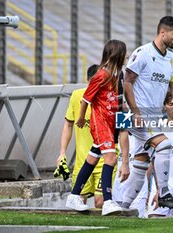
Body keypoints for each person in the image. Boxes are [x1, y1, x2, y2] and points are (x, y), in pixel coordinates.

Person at [121, 16, 173, 210]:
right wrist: (135, 112)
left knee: (141, 163)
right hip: (135, 115)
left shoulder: (171, 58)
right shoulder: (143, 53)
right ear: (163, 32)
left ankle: (123, 207)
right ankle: (164, 193)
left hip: (153, 117)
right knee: (165, 145)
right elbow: (127, 82)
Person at [65, 39, 128, 216]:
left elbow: (119, 102)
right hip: (101, 125)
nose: (127, 57)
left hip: (110, 124)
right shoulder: (101, 75)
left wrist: (127, 116)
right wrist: (79, 118)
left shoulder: (117, 76)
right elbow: (86, 98)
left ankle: (74, 195)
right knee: (111, 159)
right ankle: (108, 200)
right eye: (124, 54)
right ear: (117, 55)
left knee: (92, 158)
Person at [57, 64, 107, 207]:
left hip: (103, 160)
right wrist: (62, 153)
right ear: (87, 80)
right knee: (78, 201)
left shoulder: (109, 99)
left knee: (100, 202)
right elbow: (68, 124)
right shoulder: (76, 96)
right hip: (82, 161)